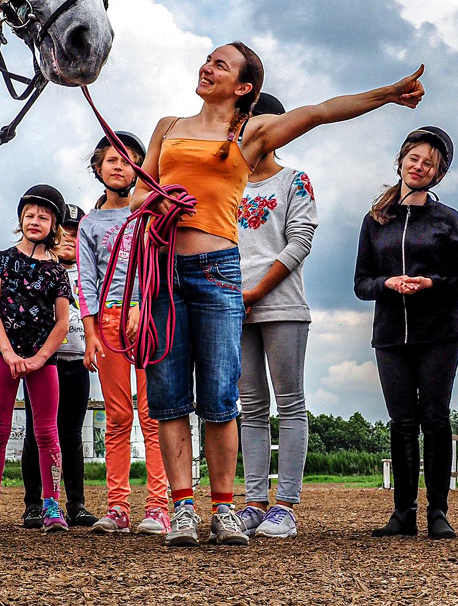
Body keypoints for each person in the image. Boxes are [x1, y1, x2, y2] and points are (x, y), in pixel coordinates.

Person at [133, 44, 426, 547]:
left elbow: (319, 113)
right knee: (169, 395)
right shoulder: (168, 126)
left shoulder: (250, 133)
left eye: (220, 65)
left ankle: (224, 508)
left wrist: (386, 95)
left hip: (215, 270)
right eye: (207, 59)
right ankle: (183, 507)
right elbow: (141, 191)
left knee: (223, 395)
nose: (207, 67)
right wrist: (157, 201)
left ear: (244, 87)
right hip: (162, 270)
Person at [355, 126, 458, 539]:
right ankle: (403, 513)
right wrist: (387, 284)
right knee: (402, 422)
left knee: (435, 418)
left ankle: (438, 512)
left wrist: (431, 283)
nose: (420, 166)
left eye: (430, 163)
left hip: (439, 333)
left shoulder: (448, 220)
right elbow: (361, 283)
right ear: (402, 160)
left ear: (438, 174)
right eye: (414, 158)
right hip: (390, 334)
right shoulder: (375, 220)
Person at [78, 132, 172, 536]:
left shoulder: (149, 212)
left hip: (149, 318)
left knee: (154, 415)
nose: (119, 166)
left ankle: (159, 506)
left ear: (140, 168)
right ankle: (117, 506)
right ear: (98, 168)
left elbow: (159, 263)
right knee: (117, 417)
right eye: (111, 159)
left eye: (129, 160)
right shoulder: (88, 223)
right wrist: (92, 332)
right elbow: (86, 279)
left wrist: (143, 306)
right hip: (109, 323)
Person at [234, 93, 317, 540]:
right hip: (232, 304)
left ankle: (285, 504)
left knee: (289, 403)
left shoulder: (294, 181)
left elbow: (299, 241)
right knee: (249, 406)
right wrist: (232, 295)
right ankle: (252, 502)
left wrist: (257, 291)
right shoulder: (226, 182)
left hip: (281, 303)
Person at [0, 185, 73, 533]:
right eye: (29, 215)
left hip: (43, 359)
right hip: (5, 354)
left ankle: (52, 504)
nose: (35, 221)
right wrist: (9, 353)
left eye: (43, 216)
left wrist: (41, 358)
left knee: (47, 432)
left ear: (54, 225)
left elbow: (61, 323)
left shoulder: (58, 273)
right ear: (20, 220)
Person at [21, 204, 95, 528]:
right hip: (42, 364)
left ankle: (76, 503)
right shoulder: (39, 270)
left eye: (77, 233)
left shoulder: (90, 275)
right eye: (64, 231)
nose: (69, 238)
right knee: (36, 434)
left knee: (71, 435)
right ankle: (34, 504)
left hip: (77, 362)